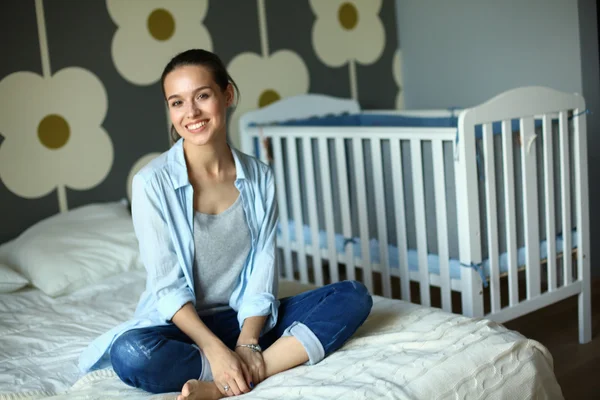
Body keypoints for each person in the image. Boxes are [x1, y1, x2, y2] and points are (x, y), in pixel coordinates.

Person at [78, 49, 373, 400]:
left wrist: (248, 343)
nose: (191, 113)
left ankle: (230, 382)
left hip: (245, 319)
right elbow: (167, 287)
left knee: (352, 296)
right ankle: (234, 368)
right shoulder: (150, 183)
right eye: (177, 103)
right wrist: (216, 351)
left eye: (202, 96)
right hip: (184, 328)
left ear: (227, 94)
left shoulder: (260, 177)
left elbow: (264, 264)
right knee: (129, 354)